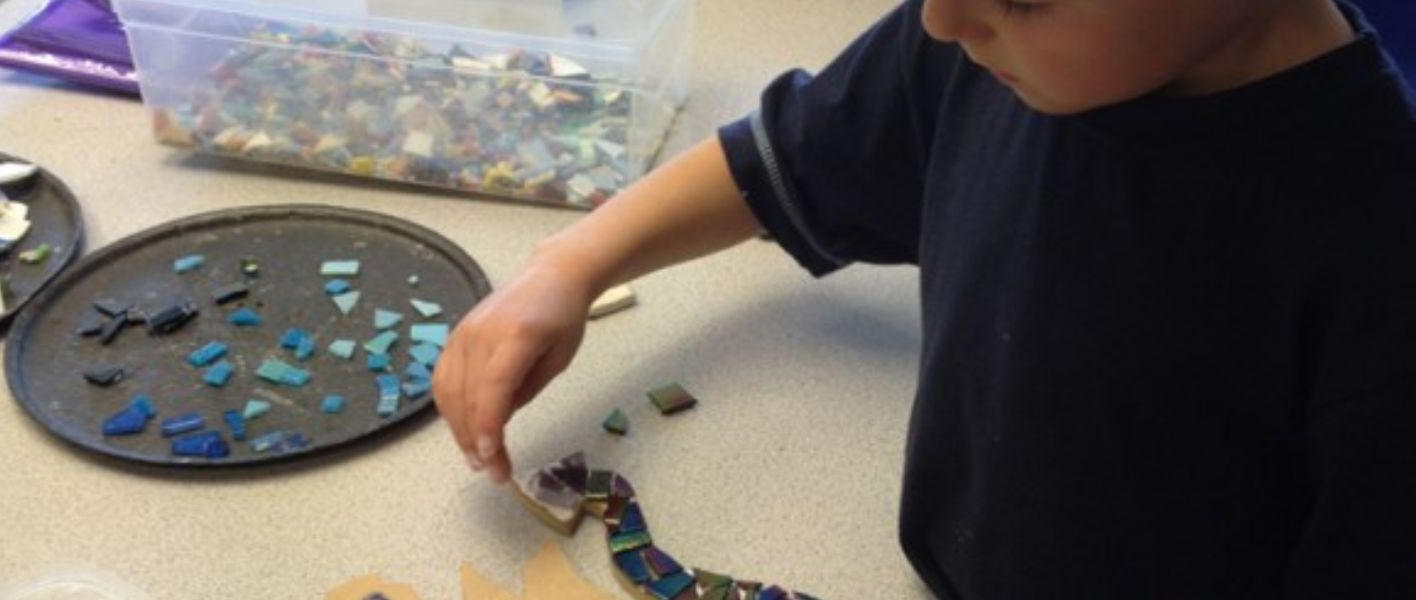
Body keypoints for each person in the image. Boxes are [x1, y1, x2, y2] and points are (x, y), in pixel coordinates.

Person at [434, 0, 1416, 596]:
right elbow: (787, 158)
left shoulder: (1374, 237)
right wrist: (568, 265)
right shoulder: (983, 46)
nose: (939, 19)